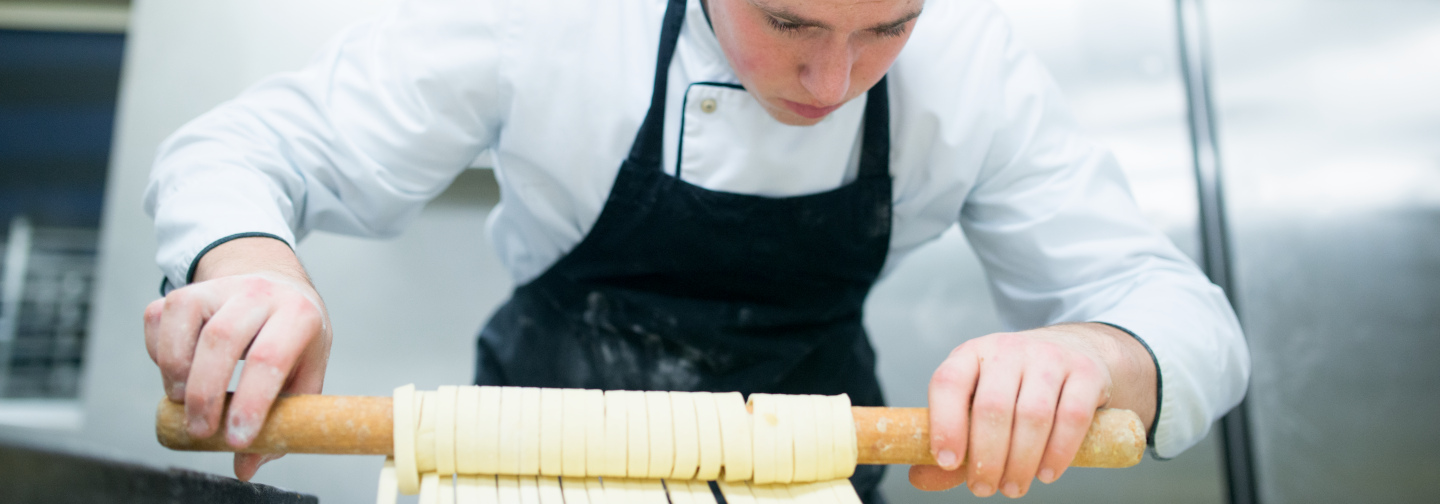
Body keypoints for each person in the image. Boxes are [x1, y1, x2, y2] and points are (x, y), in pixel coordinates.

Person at [142, 0, 1249, 500]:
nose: (832, 82)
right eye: (791, 23)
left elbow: (1181, 313)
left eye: (887, 30)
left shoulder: (974, 68)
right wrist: (252, 269)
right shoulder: (547, 19)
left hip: (811, 477)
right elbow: (249, 147)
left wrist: (1095, 353)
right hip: (528, 466)